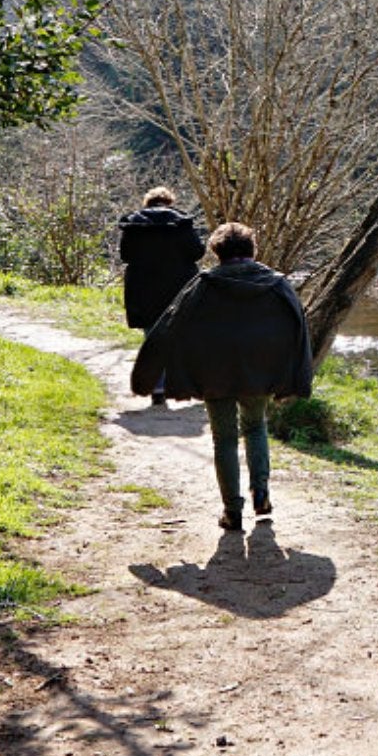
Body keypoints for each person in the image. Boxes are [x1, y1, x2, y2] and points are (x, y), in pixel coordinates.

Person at [131, 222, 313, 532]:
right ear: (252, 250)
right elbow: (298, 328)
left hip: (213, 372)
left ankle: (232, 511)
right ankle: (262, 495)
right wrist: (298, 374)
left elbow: (167, 327)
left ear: (216, 253)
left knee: (224, 438)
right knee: (256, 427)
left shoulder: (202, 285)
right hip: (259, 369)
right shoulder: (276, 284)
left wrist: (145, 378)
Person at [117, 187, 206, 407]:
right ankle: (182, 385)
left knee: (152, 337)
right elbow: (198, 252)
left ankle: (157, 387)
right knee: (180, 336)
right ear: (169, 202)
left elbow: (125, 255)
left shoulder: (134, 225)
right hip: (179, 287)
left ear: (147, 204)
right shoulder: (182, 223)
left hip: (143, 288)